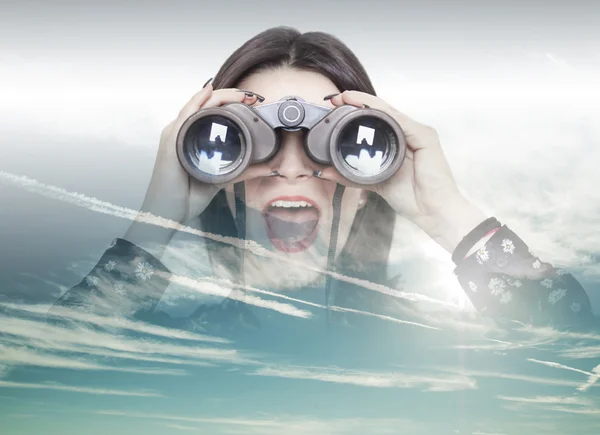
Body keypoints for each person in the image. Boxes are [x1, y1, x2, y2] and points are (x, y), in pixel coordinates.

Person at [50, 26, 596, 333]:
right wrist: (157, 219)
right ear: (222, 183)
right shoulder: (161, 343)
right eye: (247, 141)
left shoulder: (438, 341)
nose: (290, 167)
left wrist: (442, 211)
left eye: (337, 144)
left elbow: (573, 350)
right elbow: (36, 378)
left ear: (368, 188)